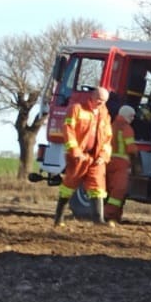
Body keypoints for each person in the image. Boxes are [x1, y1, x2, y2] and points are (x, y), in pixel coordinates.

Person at [55, 86, 113, 226]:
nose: (101, 103)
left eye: (104, 101)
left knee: (97, 186)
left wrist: (104, 155)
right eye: (99, 99)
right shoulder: (76, 109)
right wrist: (75, 151)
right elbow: (68, 130)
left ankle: (98, 220)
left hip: (96, 157)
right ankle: (59, 219)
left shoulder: (104, 114)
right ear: (92, 96)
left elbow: (107, 137)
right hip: (78, 156)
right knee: (69, 185)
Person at [104, 104, 142, 225]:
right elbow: (131, 149)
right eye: (132, 116)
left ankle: (113, 216)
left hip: (108, 161)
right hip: (121, 164)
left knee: (110, 189)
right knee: (119, 190)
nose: (133, 118)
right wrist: (137, 161)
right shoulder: (127, 128)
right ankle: (108, 214)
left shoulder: (111, 126)